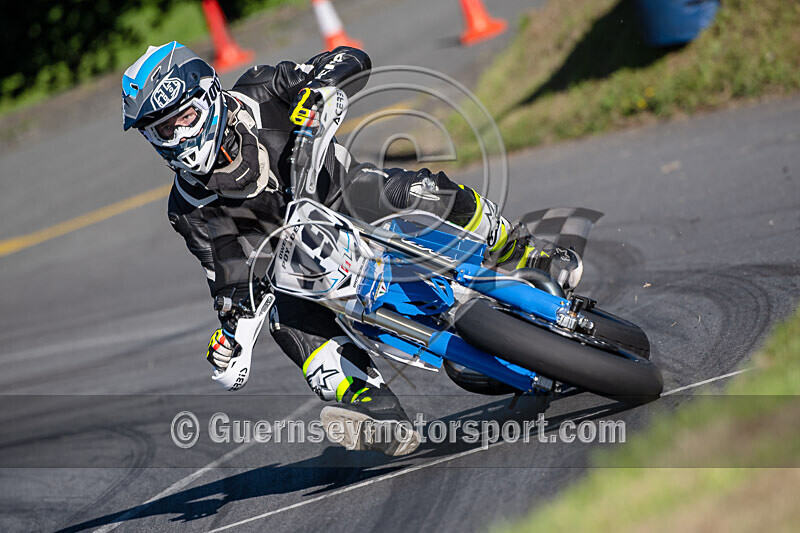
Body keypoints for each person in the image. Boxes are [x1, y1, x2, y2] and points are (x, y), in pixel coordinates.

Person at [122, 42, 582, 456]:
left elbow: (350, 58)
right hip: (296, 264)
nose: (177, 138)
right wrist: (230, 334)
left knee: (415, 190)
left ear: (209, 97)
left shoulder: (260, 90)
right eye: (162, 131)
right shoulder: (186, 209)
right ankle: (375, 410)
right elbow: (224, 272)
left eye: (183, 119)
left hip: (344, 194)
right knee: (287, 321)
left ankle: (520, 250)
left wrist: (319, 86)